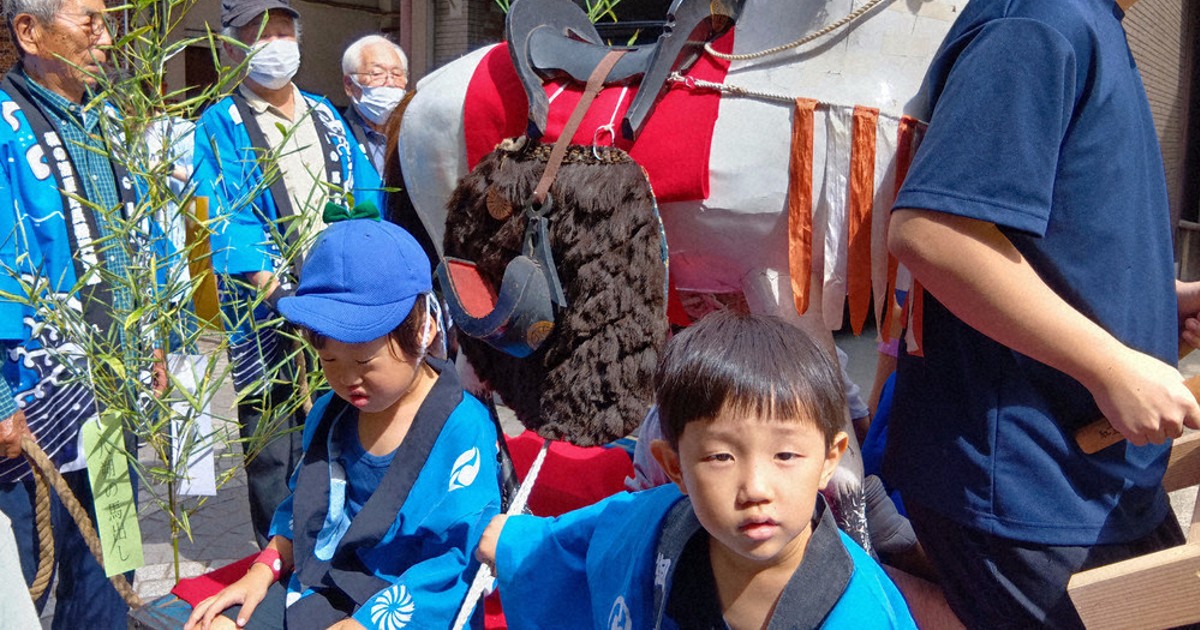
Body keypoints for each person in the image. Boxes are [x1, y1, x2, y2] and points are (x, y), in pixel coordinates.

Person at [885, 0, 1200, 627]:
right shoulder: (1041, 18)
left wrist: (1165, 303)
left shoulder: (1093, 24)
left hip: (1093, 479)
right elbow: (934, 234)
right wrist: (1112, 366)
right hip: (1029, 483)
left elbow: (1061, 245)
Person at [477, 310, 916, 629]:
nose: (755, 488)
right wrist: (516, 544)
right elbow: (590, 536)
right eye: (721, 457)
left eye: (785, 455)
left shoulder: (861, 613)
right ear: (674, 467)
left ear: (829, 460)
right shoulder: (662, 523)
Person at [184, 213, 502, 630]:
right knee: (216, 625)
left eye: (365, 361)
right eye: (329, 360)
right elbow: (304, 510)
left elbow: (459, 558)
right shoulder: (331, 415)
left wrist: (367, 623)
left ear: (422, 330)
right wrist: (261, 571)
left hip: (416, 606)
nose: (348, 379)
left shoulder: (462, 427)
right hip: (328, 580)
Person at [192, 0, 384, 547]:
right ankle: (279, 553)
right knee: (273, 437)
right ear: (231, 47)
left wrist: (363, 257)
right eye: (259, 34)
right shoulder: (220, 123)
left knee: (342, 420)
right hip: (267, 307)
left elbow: (366, 191)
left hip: (335, 299)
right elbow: (225, 217)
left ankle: (340, 541)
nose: (275, 44)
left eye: (283, 32)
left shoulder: (323, 113)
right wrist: (277, 291)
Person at [0, 0, 163, 626]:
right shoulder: (4, 125)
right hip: (26, 404)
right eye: (89, 21)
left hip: (108, 394)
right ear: (29, 31)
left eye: (107, 22)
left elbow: (142, 242)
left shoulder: (109, 121)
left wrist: (152, 339)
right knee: (21, 582)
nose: (105, 38)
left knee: (108, 571)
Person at [341, 34, 408, 176]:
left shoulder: (413, 134)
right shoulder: (338, 134)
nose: (390, 82)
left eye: (397, 74)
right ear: (349, 84)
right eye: (377, 74)